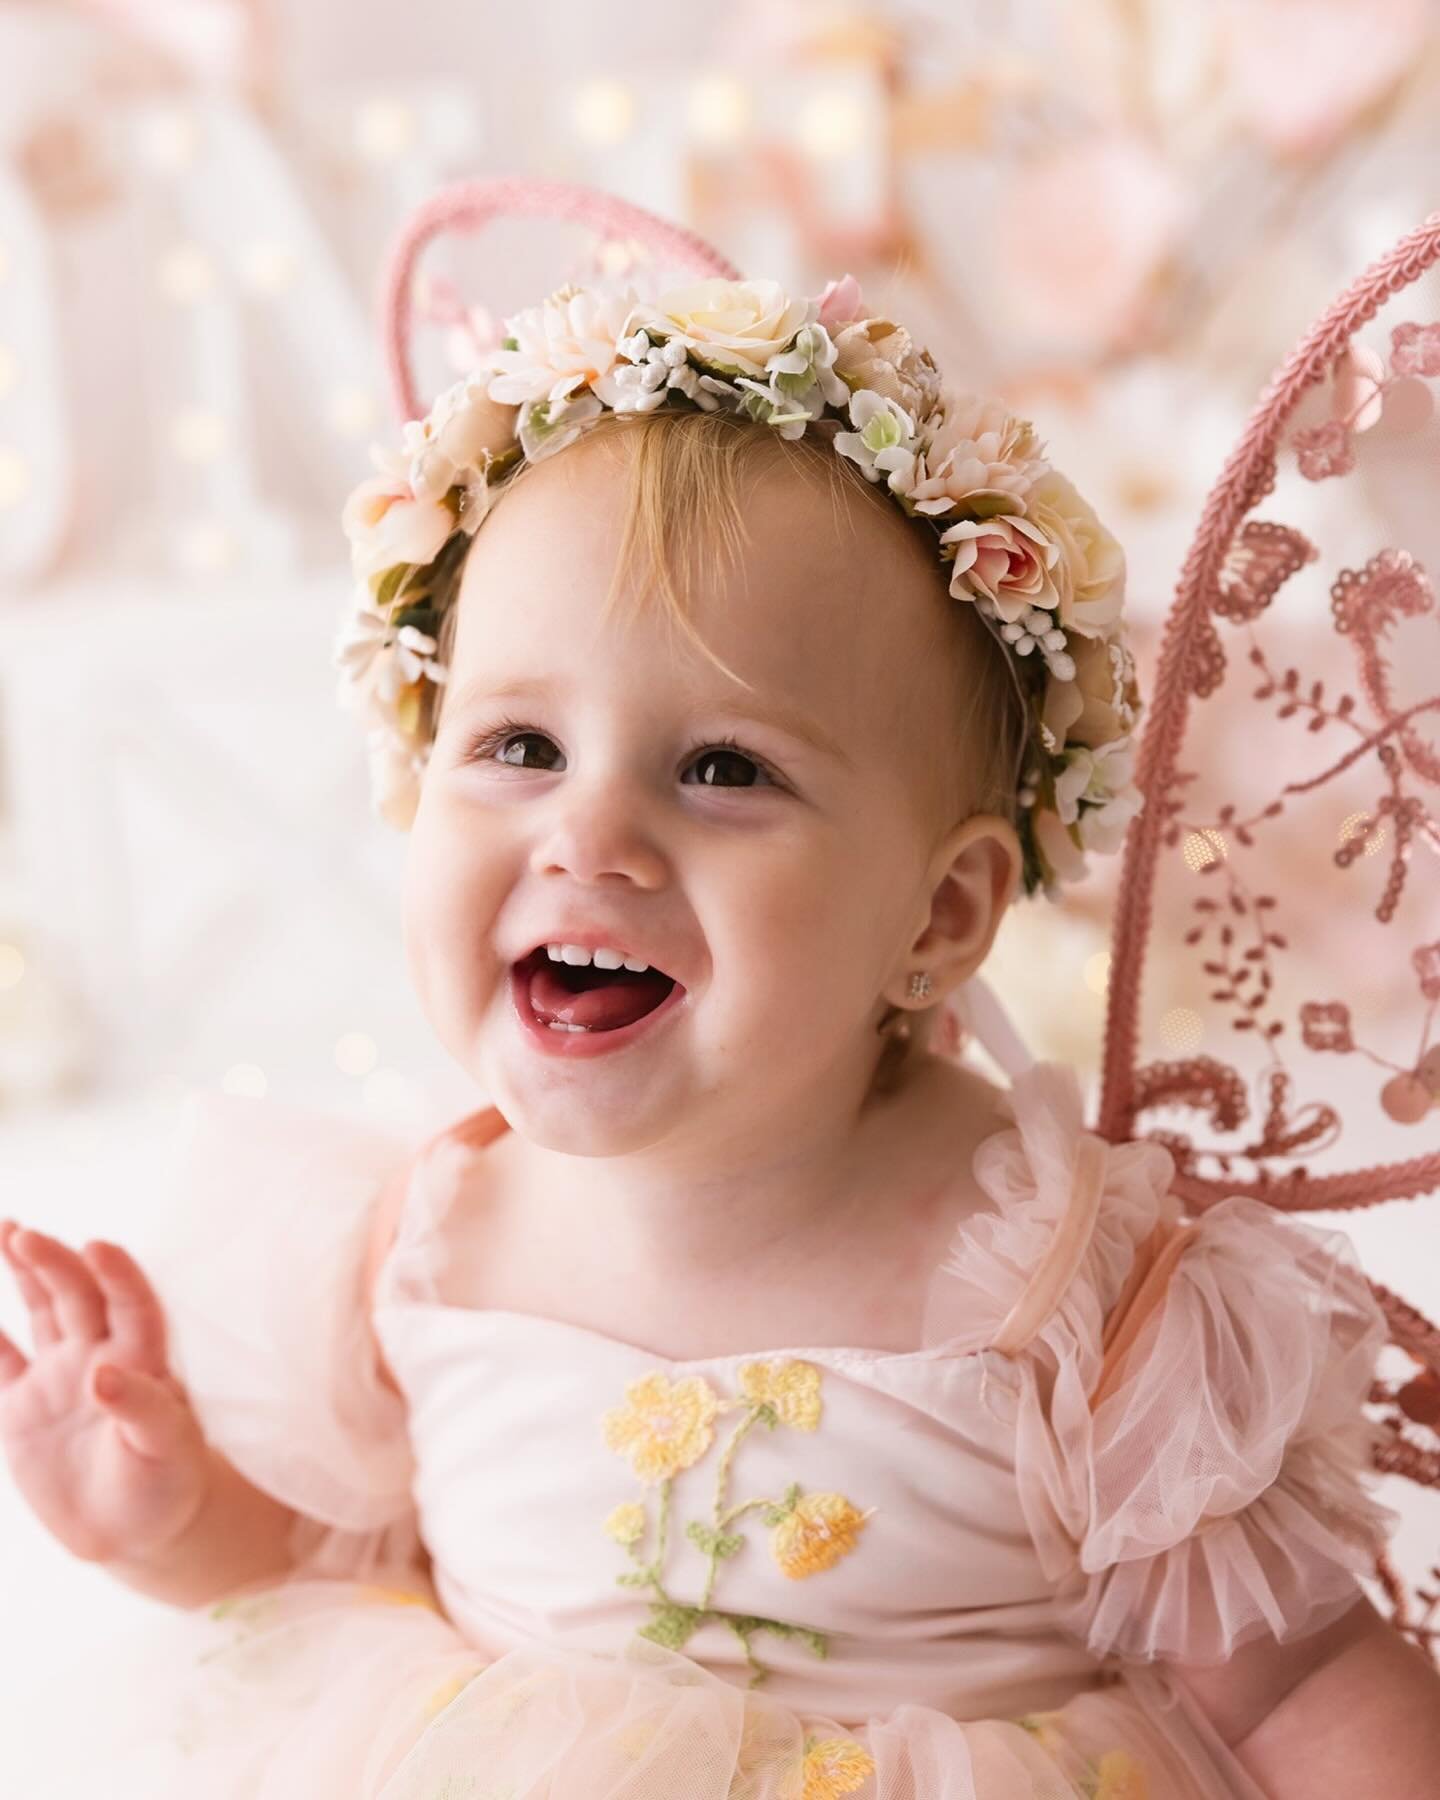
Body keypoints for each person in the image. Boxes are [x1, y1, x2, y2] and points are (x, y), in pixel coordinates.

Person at [2, 221, 1437, 1798]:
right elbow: (353, 1573)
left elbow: (1296, 1687)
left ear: (941, 915)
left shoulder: (1068, 1299)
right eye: (520, 747)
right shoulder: (422, 1229)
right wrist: (177, 1521)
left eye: (723, 770)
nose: (590, 837)